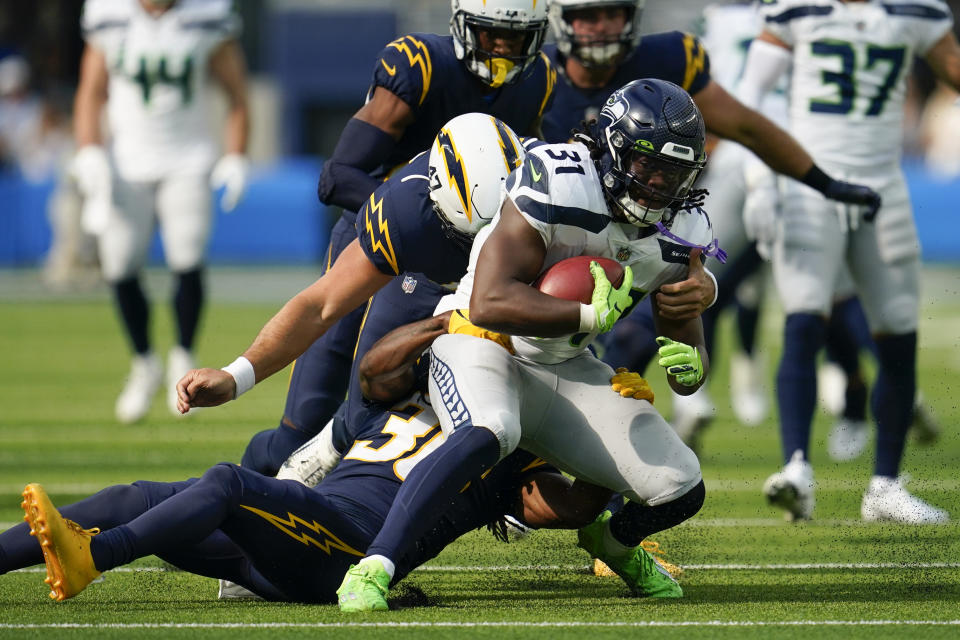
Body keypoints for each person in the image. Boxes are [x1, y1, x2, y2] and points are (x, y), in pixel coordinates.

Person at [334, 78, 716, 612]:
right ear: (610, 148)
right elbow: (489, 301)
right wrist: (585, 313)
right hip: (480, 340)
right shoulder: (560, 179)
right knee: (491, 427)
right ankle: (376, 566)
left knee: (680, 484)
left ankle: (613, 545)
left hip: (563, 363)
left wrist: (688, 364)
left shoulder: (684, 226)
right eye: (648, 166)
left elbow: (687, 358)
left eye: (674, 173)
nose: (658, 185)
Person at [5, 312, 637, 604]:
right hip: (300, 533)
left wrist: (607, 450)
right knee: (136, 496)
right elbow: (375, 369)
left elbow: (569, 505)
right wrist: (456, 323)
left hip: (346, 551)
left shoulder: (519, 438)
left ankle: (96, 557)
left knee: (227, 481)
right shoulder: (437, 374)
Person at [538, 0, 883, 446]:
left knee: (643, 325)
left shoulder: (667, 60)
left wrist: (825, 183)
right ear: (561, 20)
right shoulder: (532, 74)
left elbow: (746, 127)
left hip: (634, 233)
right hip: (552, 236)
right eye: (589, 15)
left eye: (614, 14)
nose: (602, 27)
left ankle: (602, 442)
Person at [243, 0, 555, 473]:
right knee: (306, 424)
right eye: (491, 34)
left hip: (471, 262)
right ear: (463, 26)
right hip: (384, 240)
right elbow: (338, 176)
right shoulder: (421, 65)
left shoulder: (540, 79)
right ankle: (239, 490)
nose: (503, 47)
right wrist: (428, 213)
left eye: (517, 38)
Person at [739, 0, 960, 523]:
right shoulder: (799, 10)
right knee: (804, 319)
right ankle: (797, 468)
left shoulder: (917, 11)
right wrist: (759, 180)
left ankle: (885, 485)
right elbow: (750, 97)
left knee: (898, 333)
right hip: (810, 181)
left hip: (883, 185)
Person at [71, 0, 250, 423]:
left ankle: (182, 358)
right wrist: (90, 151)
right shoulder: (108, 14)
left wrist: (237, 154)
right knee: (120, 264)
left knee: (186, 256)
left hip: (188, 157)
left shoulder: (207, 13)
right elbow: (91, 91)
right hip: (126, 161)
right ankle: (144, 362)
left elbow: (237, 94)